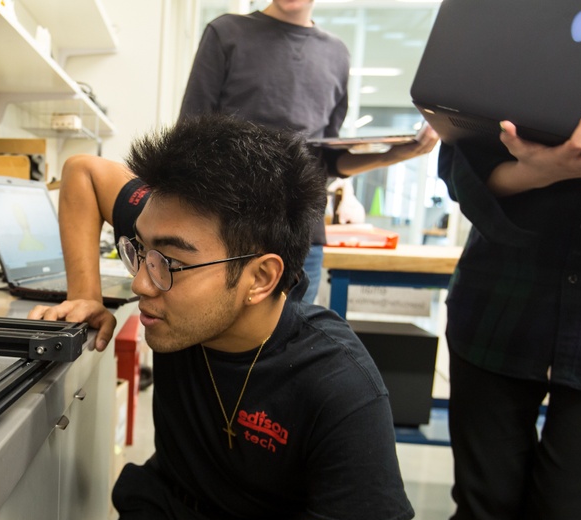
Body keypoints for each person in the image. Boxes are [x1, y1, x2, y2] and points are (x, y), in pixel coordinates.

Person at [31, 114, 414, 520]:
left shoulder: (342, 389)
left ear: (260, 277)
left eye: (169, 263)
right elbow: (82, 173)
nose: (142, 283)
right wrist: (87, 295)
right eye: (139, 251)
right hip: (173, 502)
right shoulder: (179, 241)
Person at [439, 106, 581, 520]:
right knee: (485, 510)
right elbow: (464, 159)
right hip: (500, 304)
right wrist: (547, 169)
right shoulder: (519, 35)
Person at [179, 0, 439, 302]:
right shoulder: (226, 33)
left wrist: (396, 154)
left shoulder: (336, 54)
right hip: (227, 233)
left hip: (302, 238)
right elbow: (189, 139)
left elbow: (326, 160)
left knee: (292, 345)